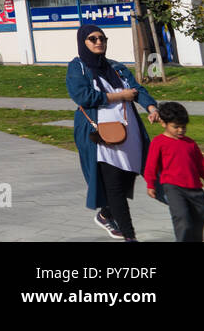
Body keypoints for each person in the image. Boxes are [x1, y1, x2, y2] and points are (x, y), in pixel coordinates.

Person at [67, 23, 159, 241]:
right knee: (115, 185)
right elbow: (83, 96)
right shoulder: (77, 67)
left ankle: (106, 213)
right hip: (100, 136)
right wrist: (119, 96)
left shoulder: (117, 67)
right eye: (93, 39)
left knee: (131, 172)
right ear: (83, 42)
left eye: (103, 38)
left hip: (129, 134)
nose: (99, 42)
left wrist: (152, 107)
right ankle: (130, 237)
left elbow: (137, 90)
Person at [143, 101, 204, 242]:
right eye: (176, 127)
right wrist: (151, 184)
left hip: (195, 188)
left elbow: (201, 165)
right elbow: (151, 165)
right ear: (163, 123)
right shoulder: (158, 142)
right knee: (182, 217)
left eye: (183, 127)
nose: (180, 130)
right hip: (173, 187)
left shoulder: (190, 143)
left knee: (200, 216)